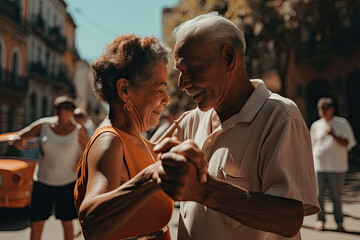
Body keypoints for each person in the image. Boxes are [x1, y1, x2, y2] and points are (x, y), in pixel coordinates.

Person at [153, 12, 320, 240]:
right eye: (180, 73)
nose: (182, 84)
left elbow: (289, 219)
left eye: (191, 69)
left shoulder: (279, 116)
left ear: (229, 58)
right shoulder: (191, 120)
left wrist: (204, 190)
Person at [73, 34, 207, 240]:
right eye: (160, 88)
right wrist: (152, 176)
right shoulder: (110, 141)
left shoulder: (137, 140)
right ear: (124, 90)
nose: (166, 98)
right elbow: (91, 224)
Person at [14, 96, 89, 240]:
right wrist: (22, 143)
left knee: (67, 223)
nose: (68, 111)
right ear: (56, 110)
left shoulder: (79, 130)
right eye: (64, 107)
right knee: (36, 223)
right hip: (42, 181)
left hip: (68, 183)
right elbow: (20, 138)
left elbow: (88, 153)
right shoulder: (43, 125)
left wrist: (82, 165)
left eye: (71, 108)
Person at [310, 97, 356, 231]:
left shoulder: (342, 123)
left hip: (337, 167)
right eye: (320, 108)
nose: (322, 111)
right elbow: (311, 145)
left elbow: (348, 143)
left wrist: (334, 135)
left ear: (332, 109)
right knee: (319, 196)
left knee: (336, 197)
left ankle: (339, 222)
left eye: (324, 108)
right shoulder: (315, 125)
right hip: (319, 166)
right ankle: (320, 220)